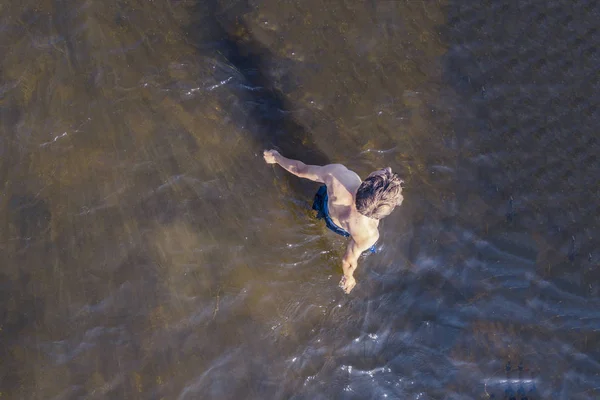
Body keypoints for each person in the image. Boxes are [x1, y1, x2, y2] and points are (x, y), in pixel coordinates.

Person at [263, 149, 404, 293]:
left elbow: (300, 169)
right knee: (362, 247)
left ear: (366, 183)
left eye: (382, 173)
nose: (388, 169)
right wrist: (349, 277)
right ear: (382, 213)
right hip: (344, 228)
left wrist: (276, 157)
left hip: (327, 208)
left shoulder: (337, 175)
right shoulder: (369, 233)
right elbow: (347, 261)